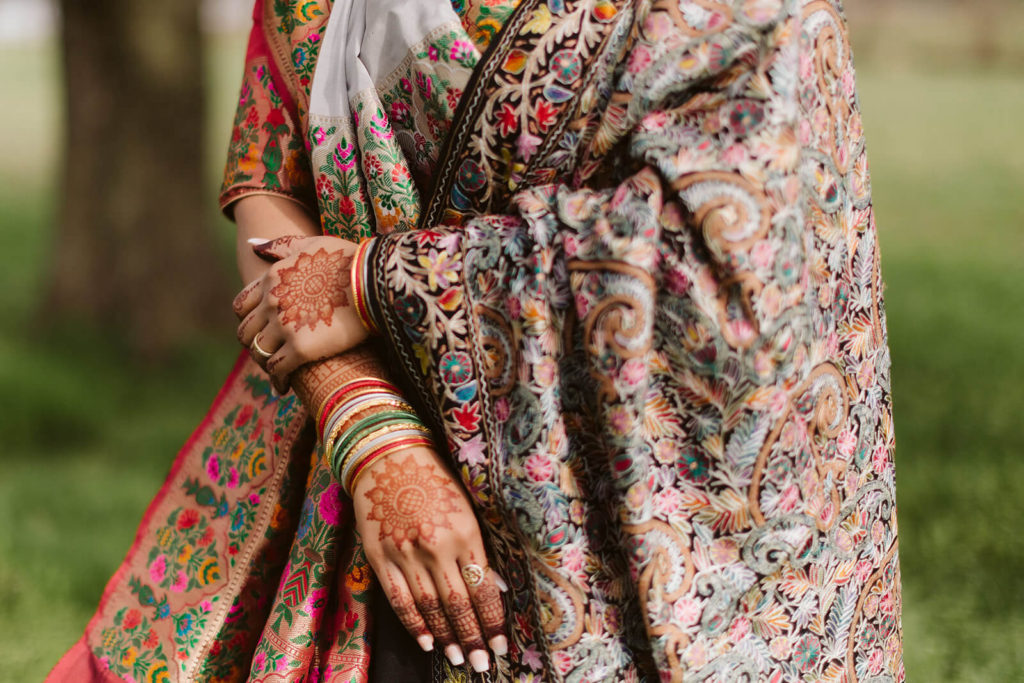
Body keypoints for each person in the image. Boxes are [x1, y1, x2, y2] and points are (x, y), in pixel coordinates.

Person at [48, 0, 906, 681]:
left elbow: (736, 259)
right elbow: (272, 196)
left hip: (639, 530)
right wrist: (369, 433)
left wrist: (375, 281)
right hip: (372, 510)